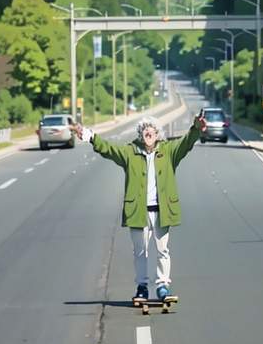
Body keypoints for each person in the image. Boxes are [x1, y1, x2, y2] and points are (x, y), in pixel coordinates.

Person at [72, 113, 206, 301]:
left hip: (162, 211)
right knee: (140, 251)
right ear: (141, 134)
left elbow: (186, 143)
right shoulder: (130, 152)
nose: (147, 132)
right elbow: (109, 149)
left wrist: (197, 128)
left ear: (157, 133)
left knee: (162, 250)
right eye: (144, 130)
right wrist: (91, 137)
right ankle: (142, 286)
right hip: (138, 210)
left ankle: (162, 286)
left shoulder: (168, 151)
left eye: (151, 129)